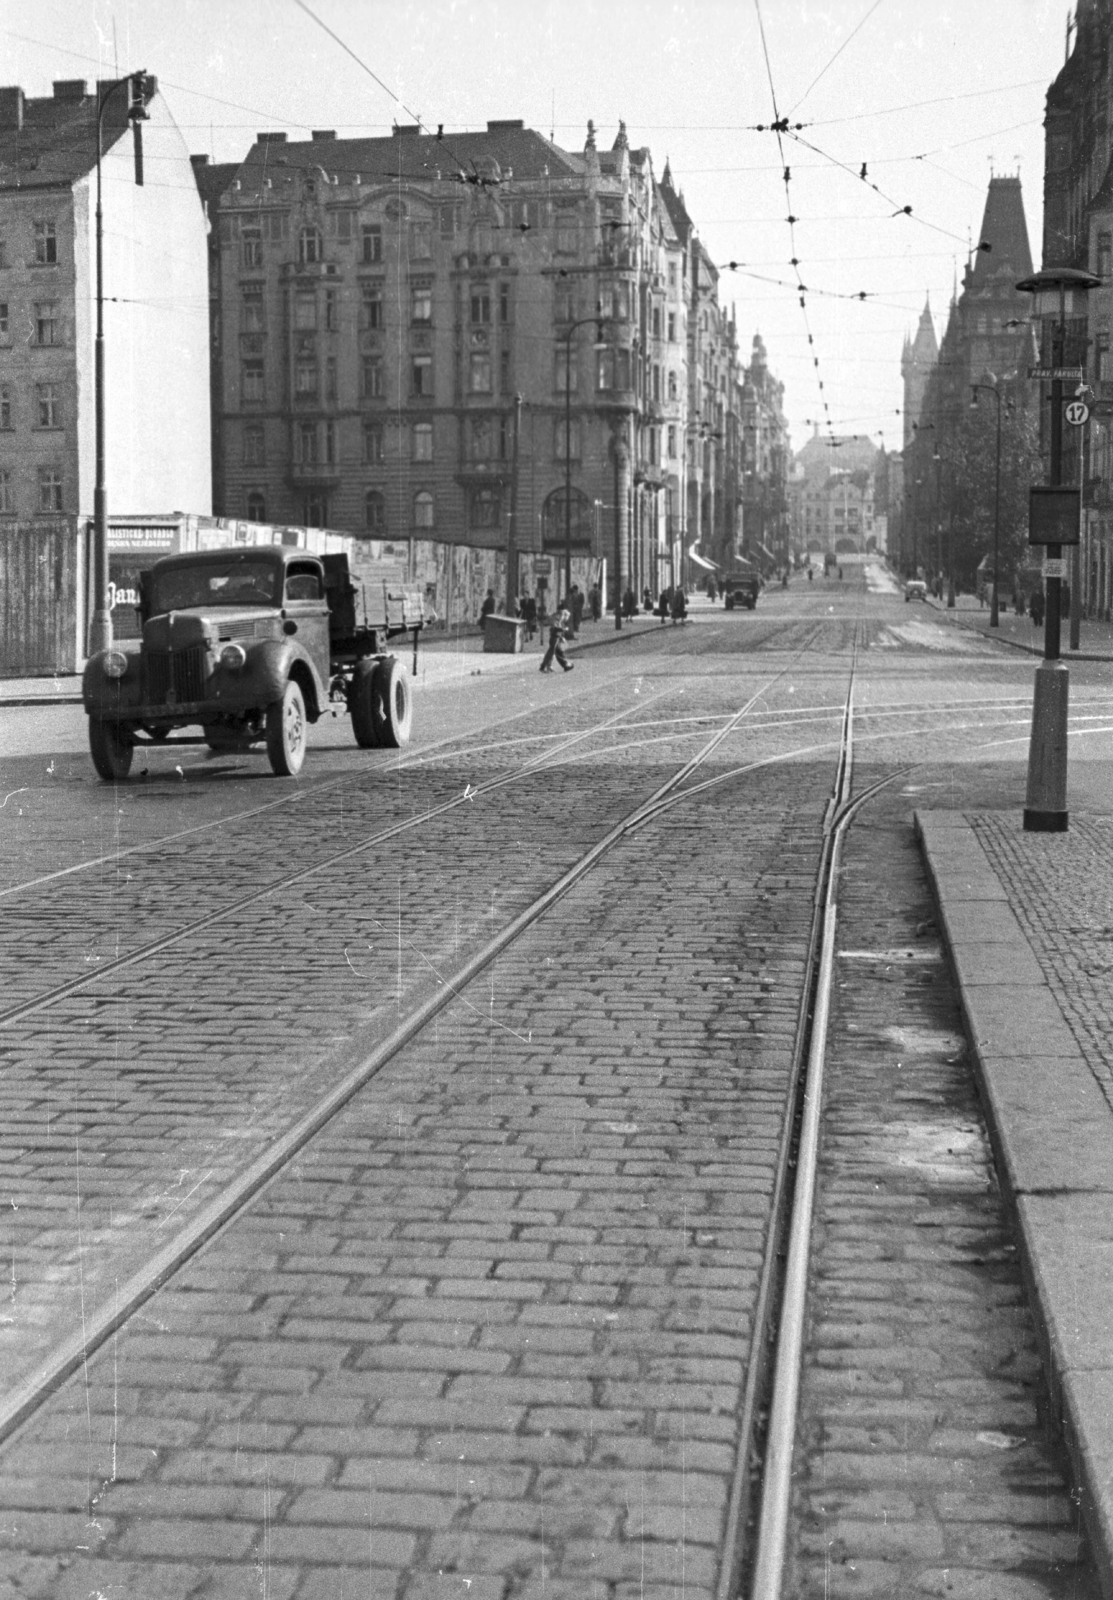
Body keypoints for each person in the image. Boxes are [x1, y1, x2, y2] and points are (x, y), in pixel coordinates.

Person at [540, 607, 574, 673]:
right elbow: (554, 629)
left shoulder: (559, 621)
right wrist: (563, 629)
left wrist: (561, 637)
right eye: (563, 616)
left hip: (556, 638)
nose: (565, 618)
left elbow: (556, 630)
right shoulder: (555, 620)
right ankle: (544, 666)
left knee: (558, 652)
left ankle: (564, 665)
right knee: (551, 653)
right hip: (554, 639)